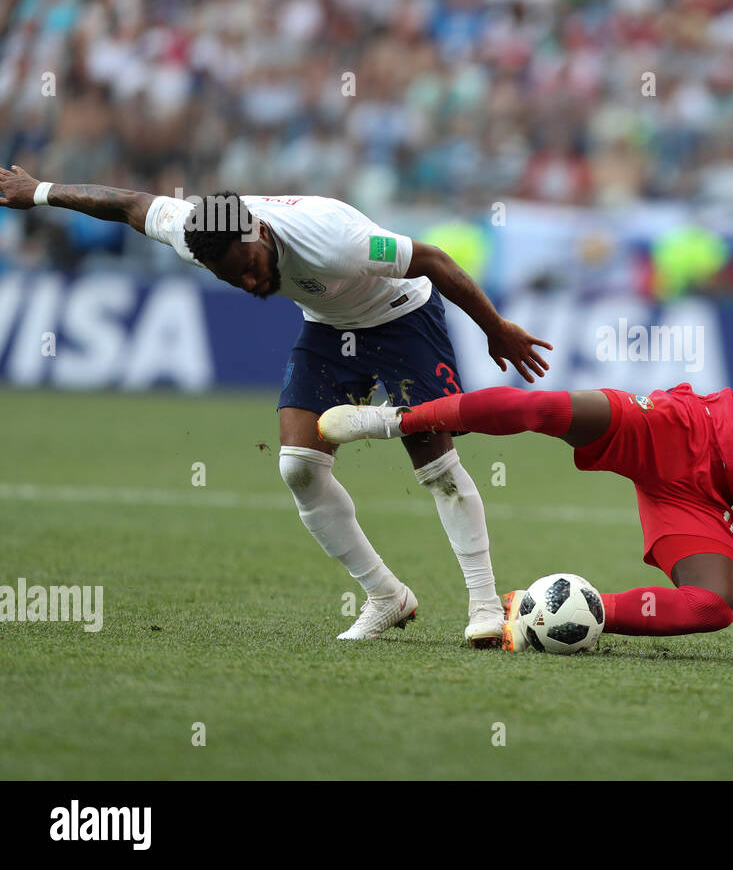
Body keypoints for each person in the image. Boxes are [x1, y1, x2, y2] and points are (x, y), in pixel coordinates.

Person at [320, 97, 733, 671]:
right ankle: (393, 422)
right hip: (679, 428)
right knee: (546, 410)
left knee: (716, 607)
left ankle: (551, 616)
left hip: (706, 506)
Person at [0, 167, 553, 644]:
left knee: (434, 462)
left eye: (251, 263)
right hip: (331, 326)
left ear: (260, 230)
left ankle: (483, 605)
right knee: (298, 468)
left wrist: (496, 328)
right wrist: (39, 190)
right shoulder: (198, 231)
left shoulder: (337, 240)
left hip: (402, 314)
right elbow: (127, 204)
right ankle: (386, 596)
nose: (248, 279)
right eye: (231, 277)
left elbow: (432, 259)